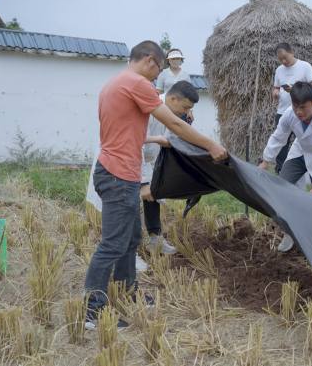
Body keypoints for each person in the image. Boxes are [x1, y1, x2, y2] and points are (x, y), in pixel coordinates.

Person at [85, 41, 227, 330]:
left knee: (130, 237)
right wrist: (211, 144)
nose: (158, 76)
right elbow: (174, 125)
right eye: (159, 69)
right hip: (118, 175)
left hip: (120, 172)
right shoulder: (136, 83)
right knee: (113, 243)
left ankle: (128, 290)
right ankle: (93, 311)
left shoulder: (114, 83)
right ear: (150, 61)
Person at [259, 81, 312, 252]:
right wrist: (266, 160)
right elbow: (278, 137)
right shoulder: (289, 114)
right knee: (283, 187)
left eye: (303, 107)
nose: (299, 112)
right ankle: (290, 233)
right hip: (300, 152)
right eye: (296, 106)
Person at [140, 80, 199, 254]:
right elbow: (135, 143)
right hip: (132, 158)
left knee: (152, 197)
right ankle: (130, 251)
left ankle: (155, 240)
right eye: (186, 107)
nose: (187, 111)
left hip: (151, 158)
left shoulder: (174, 113)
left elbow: (172, 138)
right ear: (173, 99)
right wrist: (142, 180)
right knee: (129, 205)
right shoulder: (149, 109)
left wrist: (186, 123)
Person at [272, 42, 312, 174]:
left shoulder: (305, 67)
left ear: (292, 52)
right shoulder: (279, 70)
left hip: (301, 112)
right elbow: (276, 87)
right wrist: (275, 92)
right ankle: (281, 171)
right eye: (280, 59)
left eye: (285, 57)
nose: (283, 61)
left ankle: (309, 170)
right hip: (282, 111)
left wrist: (296, 90)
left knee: (305, 141)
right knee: (281, 142)